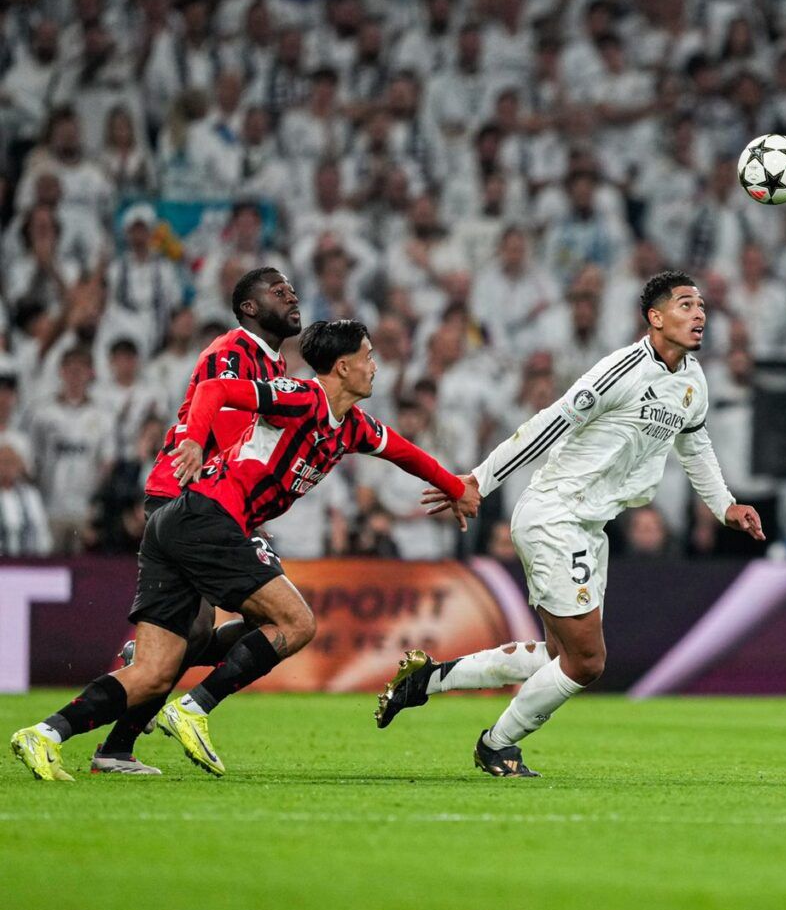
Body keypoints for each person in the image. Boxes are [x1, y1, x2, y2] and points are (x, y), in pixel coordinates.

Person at [11, 319, 479, 782]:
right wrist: (194, 439)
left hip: (183, 524)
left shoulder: (352, 426)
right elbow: (215, 389)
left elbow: (404, 452)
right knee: (296, 623)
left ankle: (45, 734)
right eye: (368, 356)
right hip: (208, 518)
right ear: (341, 367)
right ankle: (193, 709)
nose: (375, 366)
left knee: (155, 672)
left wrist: (455, 486)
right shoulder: (299, 397)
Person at [375, 271, 765, 777]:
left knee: (558, 656)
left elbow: (695, 443)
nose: (699, 314)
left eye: (702, 306)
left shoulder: (693, 379)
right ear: (656, 317)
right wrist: (479, 481)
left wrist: (724, 505)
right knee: (587, 663)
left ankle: (425, 681)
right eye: (686, 305)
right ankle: (497, 744)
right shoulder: (619, 370)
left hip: (589, 525)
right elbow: (550, 421)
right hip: (554, 514)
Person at [89, 266, 301, 774]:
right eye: (278, 291)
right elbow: (225, 429)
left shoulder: (272, 364)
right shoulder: (231, 352)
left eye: (291, 288)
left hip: (216, 502)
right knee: (274, 619)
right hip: (191, 496)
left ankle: (116, 748)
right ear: (249, 308)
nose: (291, 295)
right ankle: (131, 706)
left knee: (203, 635)